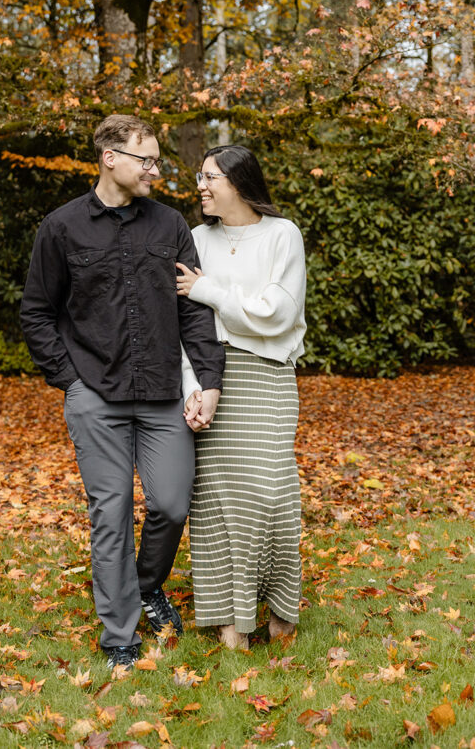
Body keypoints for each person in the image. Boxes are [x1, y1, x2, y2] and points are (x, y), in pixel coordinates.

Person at [20, 115, 224, 672]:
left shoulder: (170, 225)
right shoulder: (61, 228)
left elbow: (194, 311)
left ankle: (146, 585)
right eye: (146, 160)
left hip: (161, 395)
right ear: (110, 157)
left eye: (157, 160)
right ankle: (119, 638)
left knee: (169, 503)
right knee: (110, 512)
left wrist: (208, 381)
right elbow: (37, 312)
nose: (155, 171)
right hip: (96, 397)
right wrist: (69, 380)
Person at [176, 145, 306, 649]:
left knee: (271, 494)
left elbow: (275, 312)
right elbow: (186, 325)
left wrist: (209, 291)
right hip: (212, 375)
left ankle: (280, 607)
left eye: (210, 177)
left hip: (268, 375)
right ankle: (229, 620)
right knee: (215, 500)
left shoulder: (282, 235)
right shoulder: (194, 239)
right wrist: (192, 386)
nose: (201, 186)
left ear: (238, 181)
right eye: (200, 176)